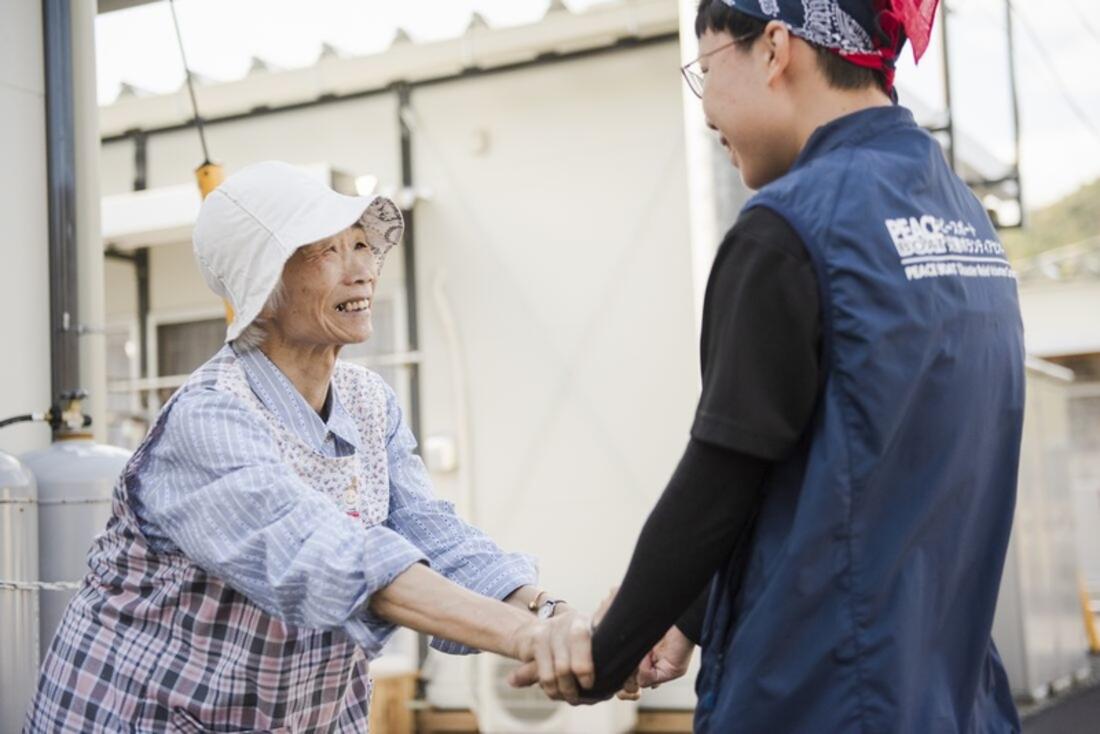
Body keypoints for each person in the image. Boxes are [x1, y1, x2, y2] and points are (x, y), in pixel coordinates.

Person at [512, 1, 1026, 731]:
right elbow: (827, 466)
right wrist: (687, 615)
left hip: (817, 700)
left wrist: (605, 652)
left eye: (706, 71)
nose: (707, 111)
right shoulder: (964, 221)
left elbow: (721, 479)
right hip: (947, 697)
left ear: (775, 48)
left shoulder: (791, 227)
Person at [24, 161, 577, 733]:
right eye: (328, 251)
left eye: (361, 244)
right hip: (142, 715)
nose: (362, 270)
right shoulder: (210, 418)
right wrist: (528, 639)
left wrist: (552, 616)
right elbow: (327, 558)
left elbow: (431, 535)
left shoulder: (368, 401)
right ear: (263, 291)